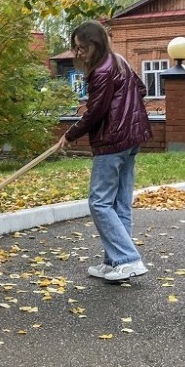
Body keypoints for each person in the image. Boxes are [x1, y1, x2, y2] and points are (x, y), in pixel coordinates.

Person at [56, 20, 152, 282]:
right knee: (119, 203)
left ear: (95, 44)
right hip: (132, 138)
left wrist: (70, 134)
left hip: (112, 141)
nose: (79, 53)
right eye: (76, 48)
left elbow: (95, 113)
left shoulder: (101, 71)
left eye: (82, 48)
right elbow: (141, 89)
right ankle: (115, 262)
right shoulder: (119, 61)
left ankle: (128, 259)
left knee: (99, 202)